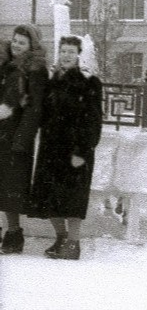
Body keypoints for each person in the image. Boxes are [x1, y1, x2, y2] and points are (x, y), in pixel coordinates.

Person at [26, 36, 102, 260]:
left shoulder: (89, 82)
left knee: (73, 198)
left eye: (71, 52)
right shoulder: (53, 82)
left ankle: (73, 244)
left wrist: (82, 151)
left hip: (75, 150)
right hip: (51, 149)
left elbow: (94, 121)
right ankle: (61, 237)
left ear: (78, 55)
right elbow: (42, 113)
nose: (66, 55)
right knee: (49, 196)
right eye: (63, 51)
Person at [0, 24, 48, 254]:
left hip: (15, 136)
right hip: (1, 131)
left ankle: (14, 234)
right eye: (15, 40)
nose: (16, 45)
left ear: (31, 46)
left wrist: (22, 139)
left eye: (22, 42)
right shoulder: (6, 65)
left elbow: (34, 108)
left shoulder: (35, 70)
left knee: (12, 187)